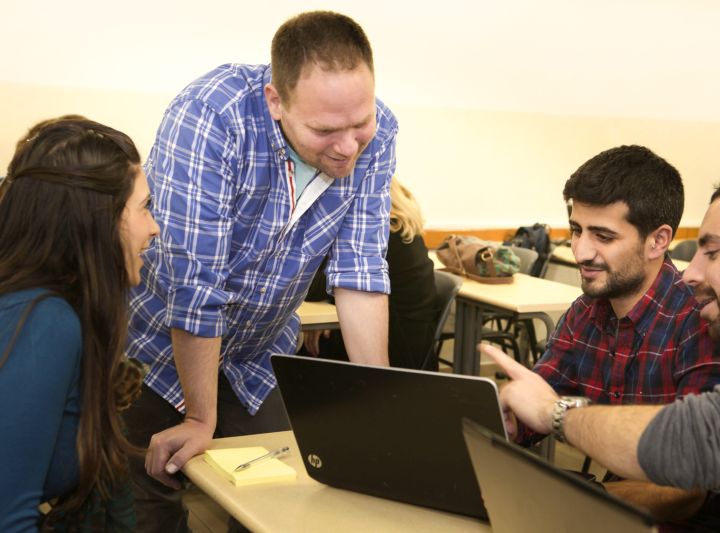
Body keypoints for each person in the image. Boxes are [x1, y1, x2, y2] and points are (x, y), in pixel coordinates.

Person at [123, 11, 397, 531]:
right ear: (276, 101)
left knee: (281, 502)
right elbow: (195, 283)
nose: (348, 147)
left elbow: (360, 270)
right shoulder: (211, 115)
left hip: (255, 356)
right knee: (150, 505)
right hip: (154, 348)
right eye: (324, 130)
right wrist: (201, 418)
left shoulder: (378, 135)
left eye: (360, 123)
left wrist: (375, 402)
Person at [483, 168, 720, 530]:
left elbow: (694, 452)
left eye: (711, 252)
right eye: (576, 231)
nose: (690, 273)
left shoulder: (712, 322)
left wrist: (553, 414)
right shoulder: (588, 312)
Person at [0, 118, 159, 531]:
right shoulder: (44, 325)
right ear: (96, 221)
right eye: (143, 208)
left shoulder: (60, 312)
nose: (154, 228)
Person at [303, 177, 437, 370]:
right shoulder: (399, 228)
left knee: (301, 357)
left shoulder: (377, 235)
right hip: (411, 344)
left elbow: (313, 288)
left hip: (393, 357)